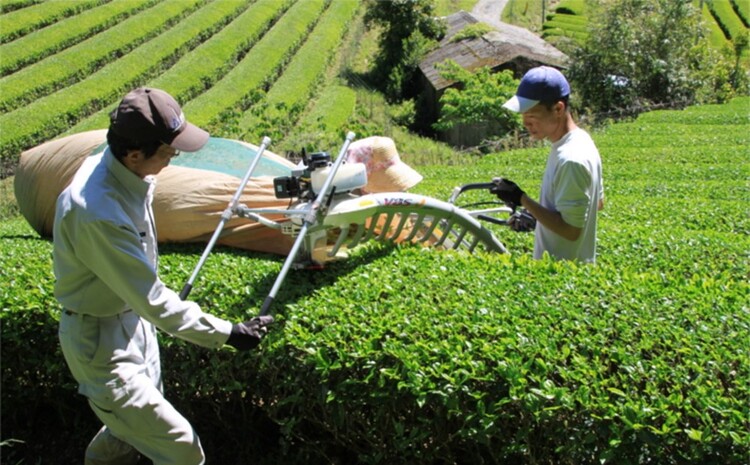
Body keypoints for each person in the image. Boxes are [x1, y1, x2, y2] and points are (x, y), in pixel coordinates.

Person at [53, 87, 273, 465]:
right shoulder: (96, 212)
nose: (172, 159)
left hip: (132, 326)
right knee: (182, 450)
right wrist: (228, 332)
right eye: (168, 152)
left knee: (125, 435)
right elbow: (152, 299)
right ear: (135, 154)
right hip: (102, 346)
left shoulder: (120, 169)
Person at [494, 66, 604, 263]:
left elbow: (571, 231)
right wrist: (537, 218)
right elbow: (596, 203)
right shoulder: (581, 140)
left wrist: (521, 199)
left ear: (558, 109)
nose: (525, 124)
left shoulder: (571, 158)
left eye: (532, 117)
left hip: (563, 278)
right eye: (523, 117)